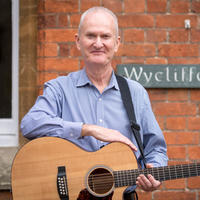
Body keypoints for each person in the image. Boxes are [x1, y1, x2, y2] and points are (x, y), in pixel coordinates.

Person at [20, 6, 168, 199]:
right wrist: (87, 129)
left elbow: (155, 147)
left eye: (105, 37)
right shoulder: (60, 88)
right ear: (78, 41)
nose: (98, 43)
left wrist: (155, 172)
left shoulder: (135, 93)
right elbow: (30, 124)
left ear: (116, 43)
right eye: (91, 36)